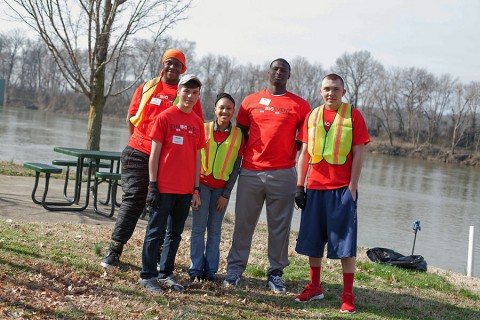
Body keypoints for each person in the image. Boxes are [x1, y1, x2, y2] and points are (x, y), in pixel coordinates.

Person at [101, 49, 203, 269]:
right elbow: (131, 118)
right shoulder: (147, 87)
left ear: (183, 69)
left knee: (162, 206)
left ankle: (155, 256)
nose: (173, 68)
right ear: (163, 63)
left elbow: (196, 129)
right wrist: (142, 143)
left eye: (178, 65)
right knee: (134, 200)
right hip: (139, 152)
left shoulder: (187, 92)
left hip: (168, 160)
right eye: (169, 63)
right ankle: (114, 250)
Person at [223, 58, 311, 293]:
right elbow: (238, 136)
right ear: (268, 72)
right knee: (243, 224)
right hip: (251, 171)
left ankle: (275, 272)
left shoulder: (300, 106)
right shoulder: (250, 101)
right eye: (275, 69)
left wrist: (302, 181)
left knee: (279, 227)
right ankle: (234, 270)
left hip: (283, 174)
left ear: (289, 76)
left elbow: (304, 146)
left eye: (283, 70)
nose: (278, 73)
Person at [294, 73, 370, 314]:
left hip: (341, 189)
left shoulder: (353, 116)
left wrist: (353, 187)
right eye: (327, 88)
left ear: (343, 92)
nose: (331, 93)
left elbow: (359, 153)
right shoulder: (312, 115)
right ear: (320, 91)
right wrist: (299, 186)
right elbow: (304, 153)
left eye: (335, 89)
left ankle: (348, 295)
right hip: (315, 188)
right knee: (312, 241)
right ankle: (315, 287)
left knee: (345, 245)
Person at [139, 74, 205, 293]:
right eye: (186, 91)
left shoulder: (197, 122)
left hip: (185, 190)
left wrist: (196, 189)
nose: (190, 96)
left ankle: (165, 273)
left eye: (194, 92)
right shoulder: (165, 117)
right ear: (178, 91)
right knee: (155, 231)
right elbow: (154, 155)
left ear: (198, 95)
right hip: (164, 187)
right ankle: (147, 275)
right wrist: (153, 185)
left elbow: (197, 159)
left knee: (174, 233)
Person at [189, 93, 245, 282]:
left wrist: (226, 194)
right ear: (215, 109)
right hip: (202, 186)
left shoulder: (238, 135)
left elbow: (237, 167)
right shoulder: (202, 129)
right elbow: (194, 160)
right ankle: (195, 269)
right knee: (198, 229)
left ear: (233, 112)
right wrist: (195, 190)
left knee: (214, 230)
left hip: (221, 191)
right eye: (221, 107)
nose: (225, 111)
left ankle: (210, 271)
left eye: (229, 108)